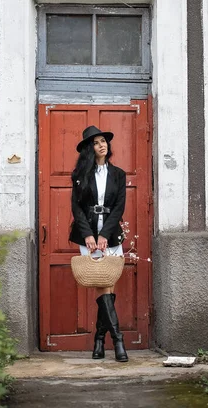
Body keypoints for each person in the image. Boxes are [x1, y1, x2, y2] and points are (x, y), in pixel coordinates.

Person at [69, 125, 128, 362]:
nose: (101, 145)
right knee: (102, 285)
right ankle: (118, 340)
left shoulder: (119, 174)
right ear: (88, 149)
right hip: (88, 237)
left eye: (104, 141)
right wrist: (89, 236)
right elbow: (77, 208)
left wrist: (105, 234)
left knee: (109, 284)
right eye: (96, 142)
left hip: (110, 236)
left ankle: (99, 339)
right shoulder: (79, 176)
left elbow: (119, 208)